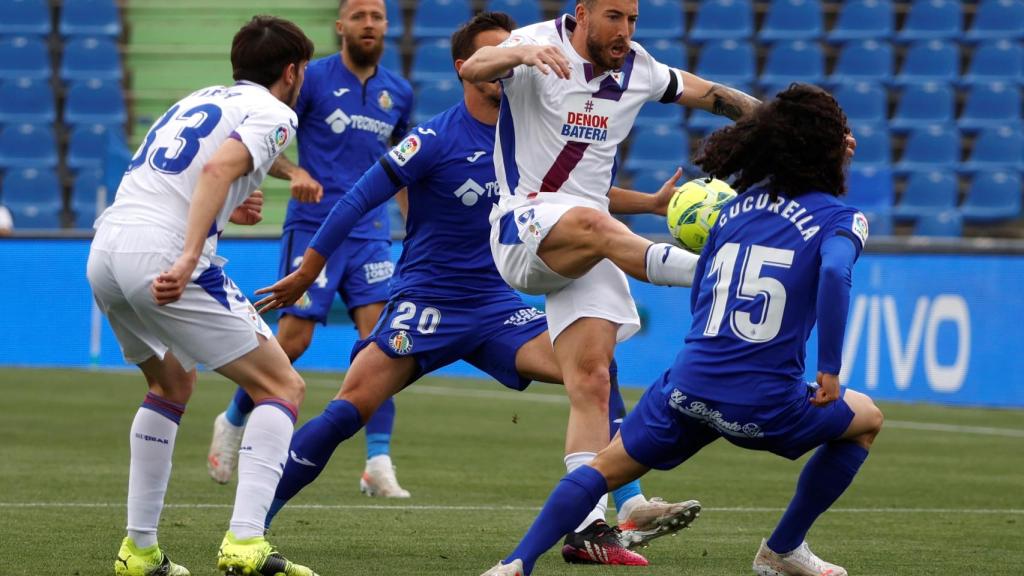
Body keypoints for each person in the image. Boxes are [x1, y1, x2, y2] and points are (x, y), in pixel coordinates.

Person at [254, 12, 700, 566]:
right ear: (469, 68)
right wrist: (307, 269)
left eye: (518, 47)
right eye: (501, 52)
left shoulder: (535, 132)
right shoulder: (435, 138)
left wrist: (652, 204)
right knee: (349, 409)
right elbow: (355, 200)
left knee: (594, 366)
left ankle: (621, 507)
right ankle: (254, 523)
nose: (514, 57)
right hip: (428, 303)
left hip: (496, 310)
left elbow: (584, 197)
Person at [481, 83, 885, 576]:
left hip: (688, 386)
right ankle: (781, 551)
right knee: (866, 419)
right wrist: (829, 369)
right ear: (827, 148)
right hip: (765, 403)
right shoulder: (842, 218)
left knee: (600, 470)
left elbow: (705, 292)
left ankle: (515, 562)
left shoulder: (733, 209)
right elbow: (833, 273)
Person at [457, 0, 763, 555]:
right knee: (596, 221)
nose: (624, 31)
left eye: (633, 20)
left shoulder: (639, 69)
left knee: (594, 382)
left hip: (584, 242)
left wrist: (794, 129)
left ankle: (587, 528)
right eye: (614, 16)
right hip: (523, 226)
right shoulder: (533, 43)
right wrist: (519, 53)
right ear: (584, 13)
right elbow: (472, 69)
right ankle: (717, 272)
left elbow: (716, 95)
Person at [86, 16, 319, 576]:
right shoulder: (274, 111)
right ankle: (245, 544)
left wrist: (222, 208)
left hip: (107, 248)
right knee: (281, 385)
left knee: (171, 383)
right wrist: (191, 253)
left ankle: (139, 552)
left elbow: (182, 175)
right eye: (303, 71)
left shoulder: (198, 100)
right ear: (291, 73)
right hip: (163, 254)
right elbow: (217, 167)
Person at [207, 0, 416, 499]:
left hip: (370, 233)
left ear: (387, 26)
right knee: (294, 341)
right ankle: (233, 419)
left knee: (382, 344)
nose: (369, 23)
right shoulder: (312, 81)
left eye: (378, 16)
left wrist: (415, 224)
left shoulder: (399, 92)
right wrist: (294, 172)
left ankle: (378, 461)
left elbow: (405, 162)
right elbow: (262, 139)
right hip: (314, 228)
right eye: (359, 15)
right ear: (340, 25)